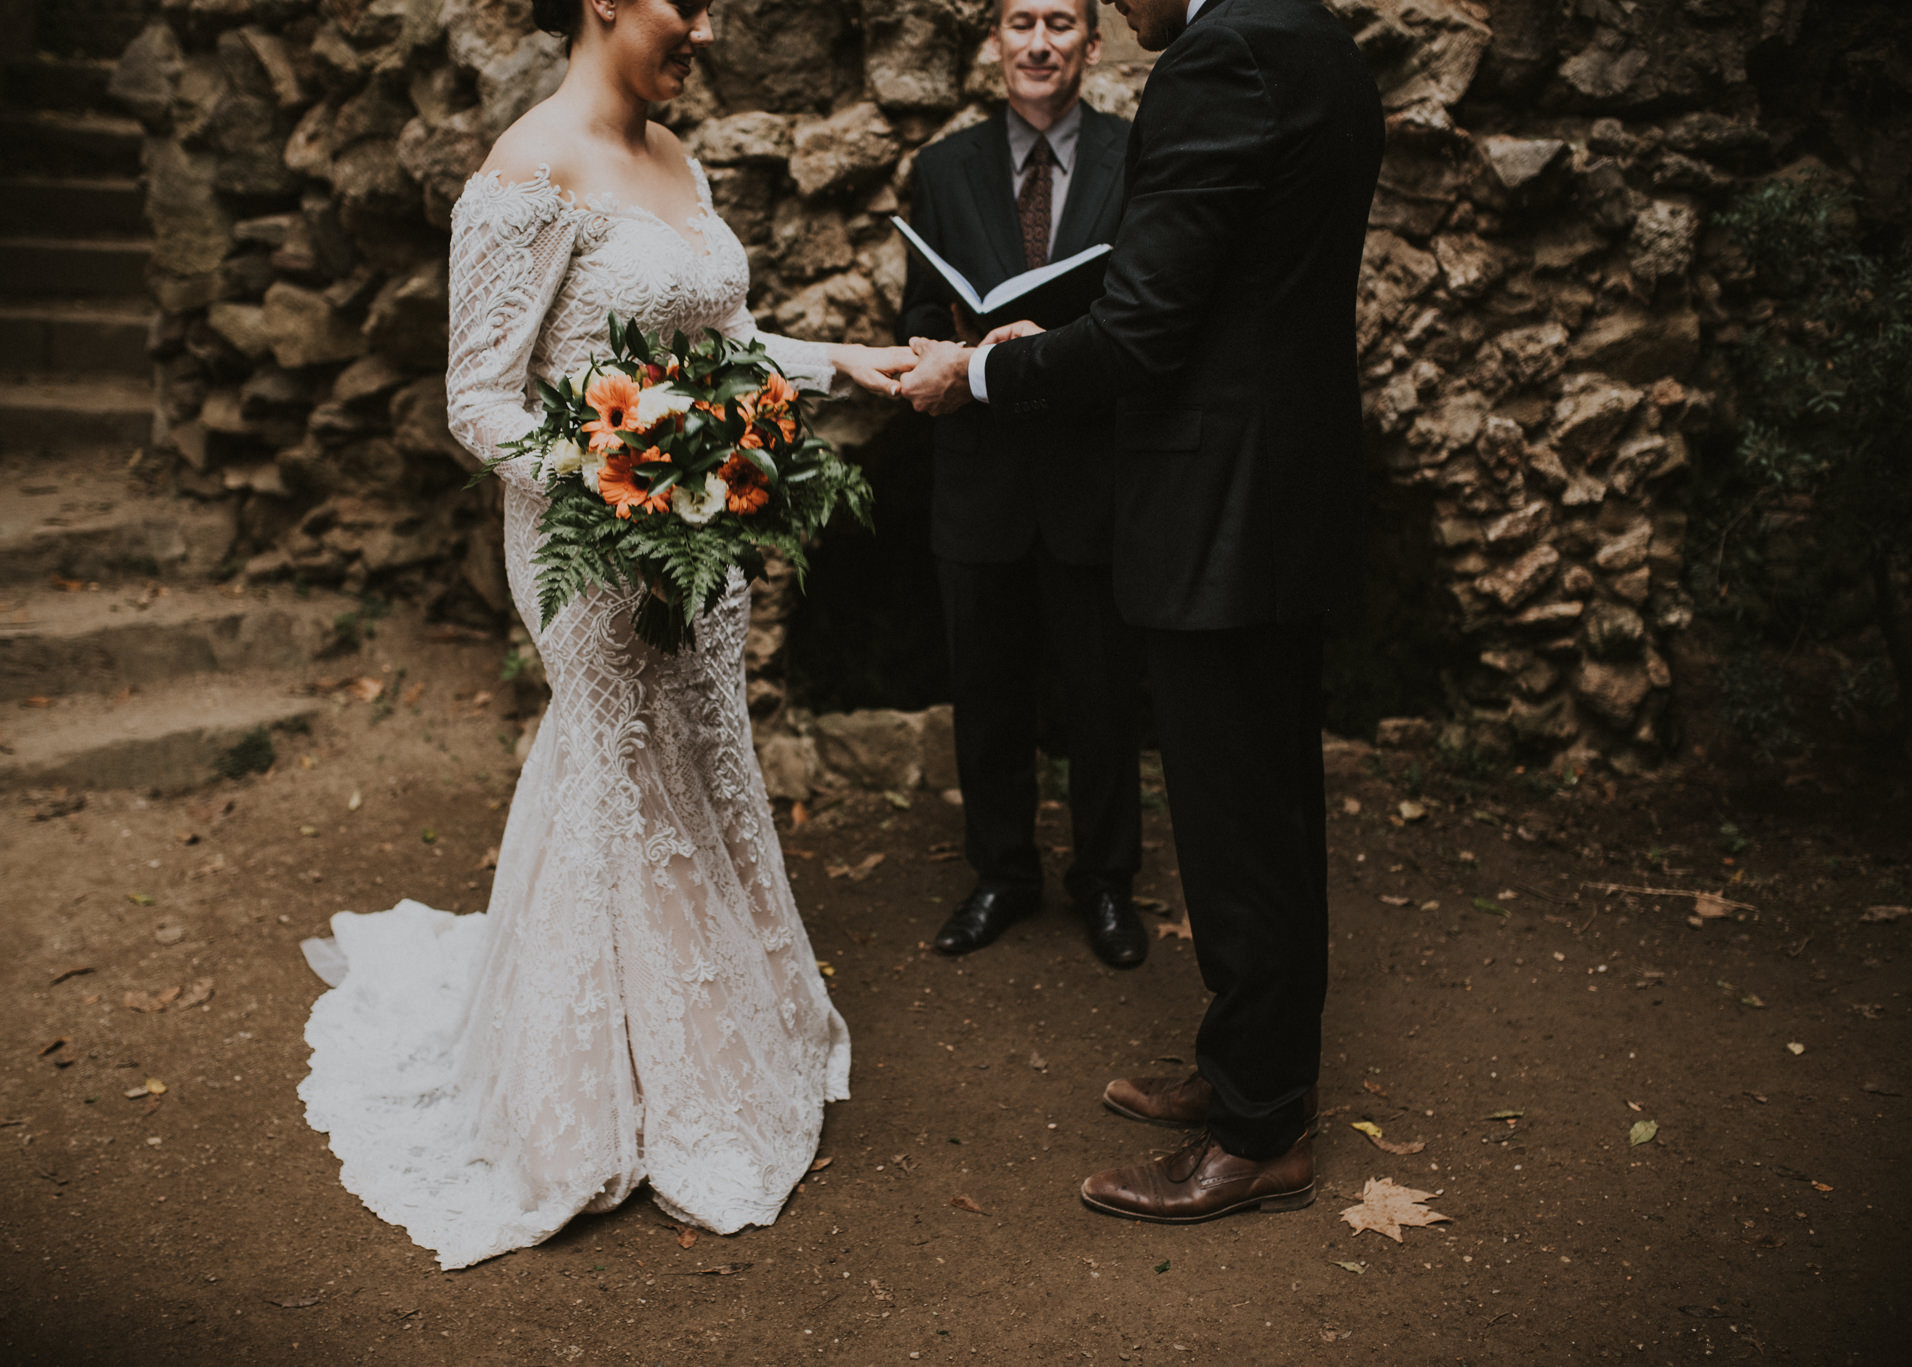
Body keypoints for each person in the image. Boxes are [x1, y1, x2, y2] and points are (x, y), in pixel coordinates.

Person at [295, 0, 915, 1270]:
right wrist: (615, 474)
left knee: (696, 762)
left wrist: (844, 363)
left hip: (699, 533)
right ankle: (592, 1101)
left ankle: (705, 1045)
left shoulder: (678, 156)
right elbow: (478, 395)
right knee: (617, 767)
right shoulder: (528, 166)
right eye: (687, 4)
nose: (708, 29)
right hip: (590, 545)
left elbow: (725, 347)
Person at [900, 0, 1384, 1222]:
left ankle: (1260, 1128)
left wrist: (987, 367)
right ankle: (1244, 1065)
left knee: (1237, 821)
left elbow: (1151, 328)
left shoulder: (1221, 55)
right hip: (1276, 484)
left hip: (1220, 496)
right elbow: (1219, 262)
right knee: (1258, 803)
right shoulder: (1312, 33)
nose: (1118, 7)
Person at [898, 0, 1146, 969]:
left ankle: (1107, 881)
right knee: (986, 690)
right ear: (993, 43)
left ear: (1090, 42)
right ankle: (1001, 870)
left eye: (1058, 22)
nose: (1037, 43)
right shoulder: (943, 167)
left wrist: (1059, 348)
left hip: (1093, 474)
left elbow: (1146, 314)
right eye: (1018, 22)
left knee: (1101, 694)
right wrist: (955, 354)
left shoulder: (1138, 154)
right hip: (981, 472)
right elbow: (916, 311)